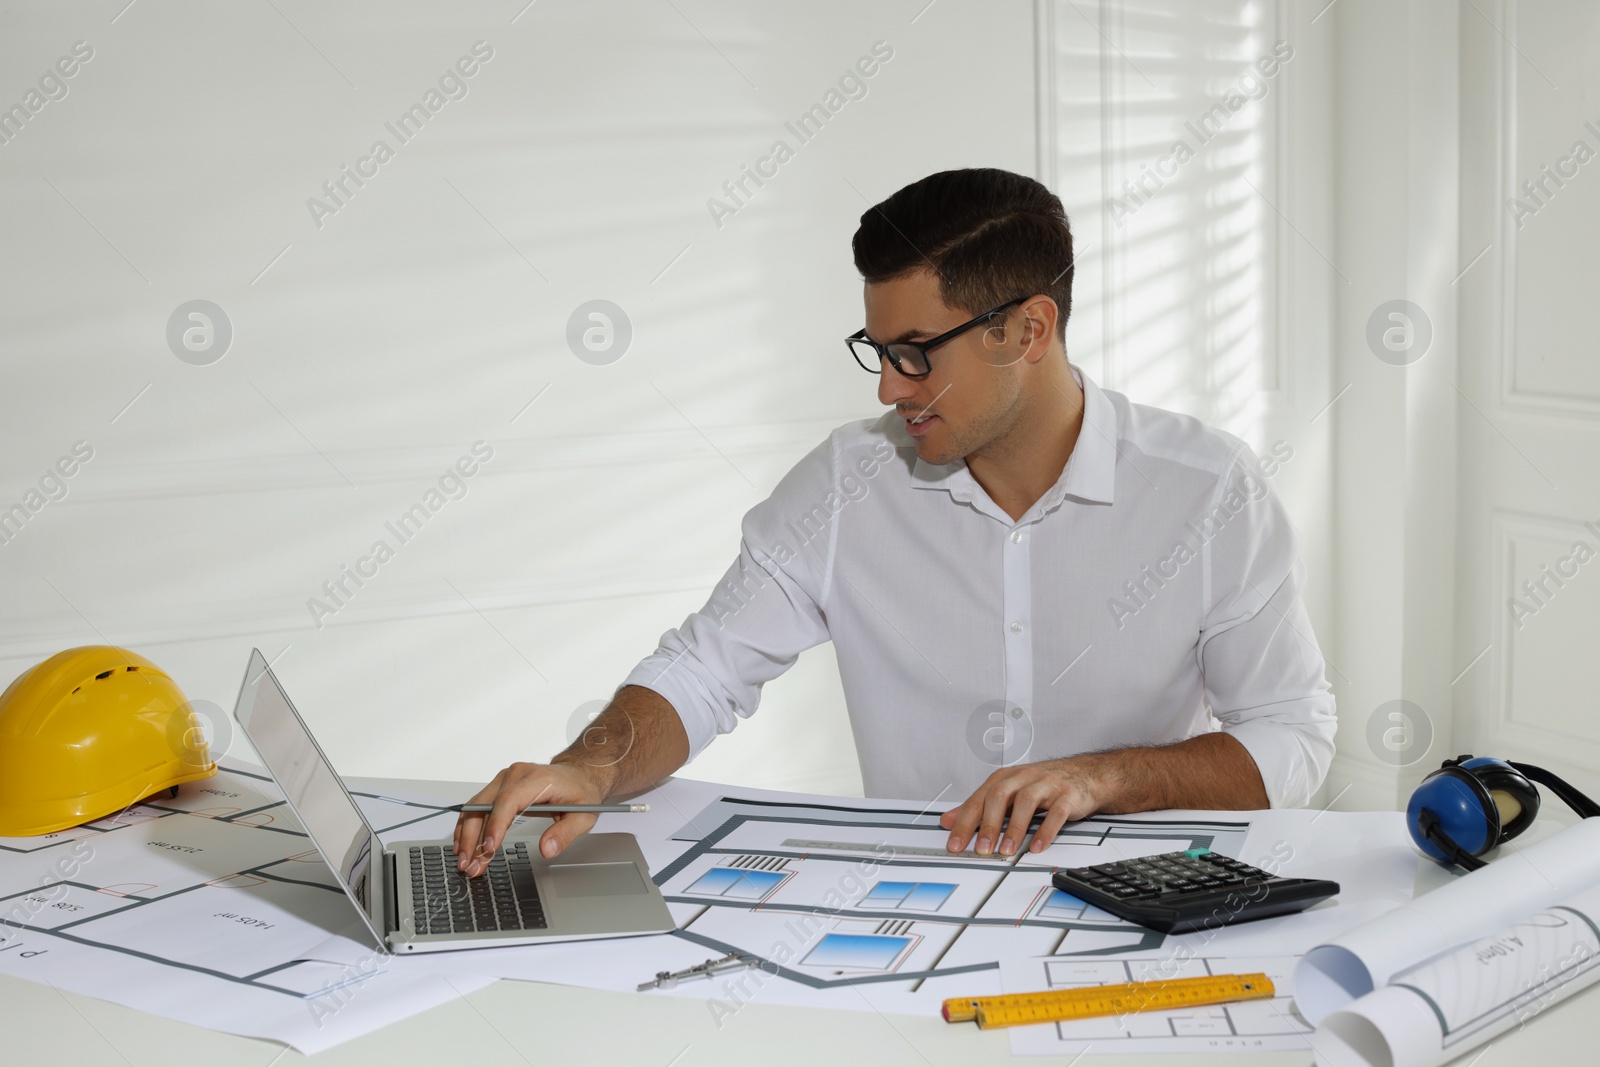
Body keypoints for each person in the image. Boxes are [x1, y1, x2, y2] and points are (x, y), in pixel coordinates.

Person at [455, 167, 1335, 877]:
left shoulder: (1206, 489)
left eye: (916, 353)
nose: (888, 387)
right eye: (879, 353)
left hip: (1148, 903)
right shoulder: (847, 482)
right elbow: (702, 667)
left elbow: (1293, 732)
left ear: (1029, 330)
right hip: (914, 903)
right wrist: (592, 765)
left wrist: (1102, 777)